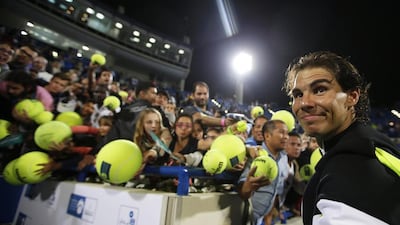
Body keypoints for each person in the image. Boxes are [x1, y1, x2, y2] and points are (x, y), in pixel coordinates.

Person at [283, 51, 400, 225]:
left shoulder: (352, 170)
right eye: (298, 94)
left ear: (352, 97)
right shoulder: (370, 144)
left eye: (320, 90)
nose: (305, 103)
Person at [237, 119, 289, 225]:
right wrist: (247, 187)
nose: (286, 137)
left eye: (287, 133)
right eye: (281, 132)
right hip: (246, 217)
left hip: (262, 218)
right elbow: (242, 188)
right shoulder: (255, 154)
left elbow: (275, 189)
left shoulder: (283, 156)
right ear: (267, 135)